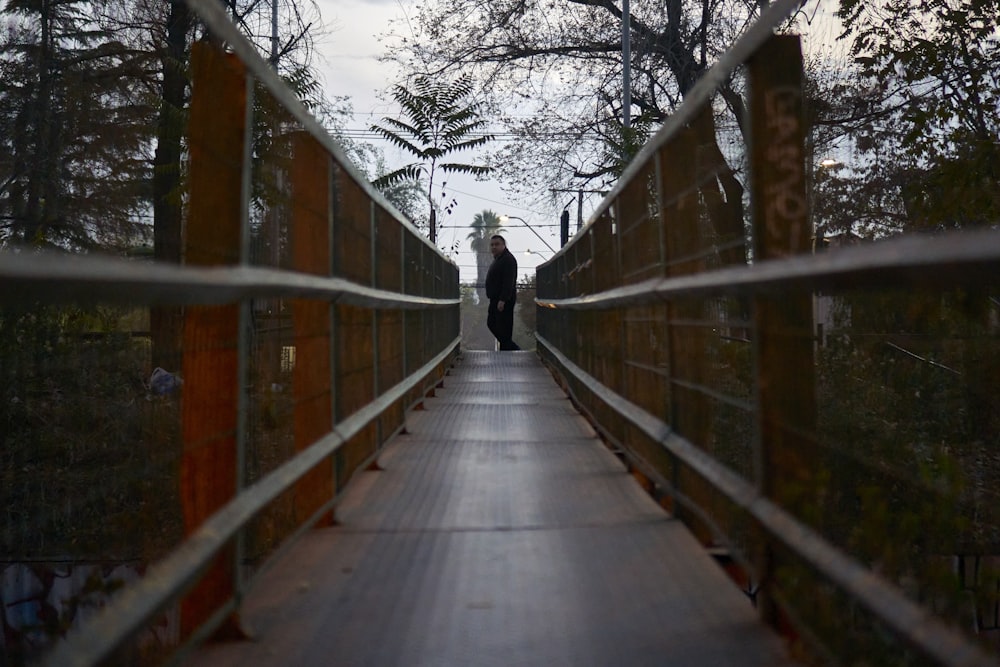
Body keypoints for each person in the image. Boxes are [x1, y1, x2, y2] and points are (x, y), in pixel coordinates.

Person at [484, 234, 521, 351]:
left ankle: (512, 349)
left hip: (503, 300)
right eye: (492, 245)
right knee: (494, 324)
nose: (494, 247)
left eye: (497, 244)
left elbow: (508, 281)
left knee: (502, 327)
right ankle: (508, 348)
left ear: (504, 245)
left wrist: (503, 299)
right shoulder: (499, 260)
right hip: (495, 299)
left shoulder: (508, 259)